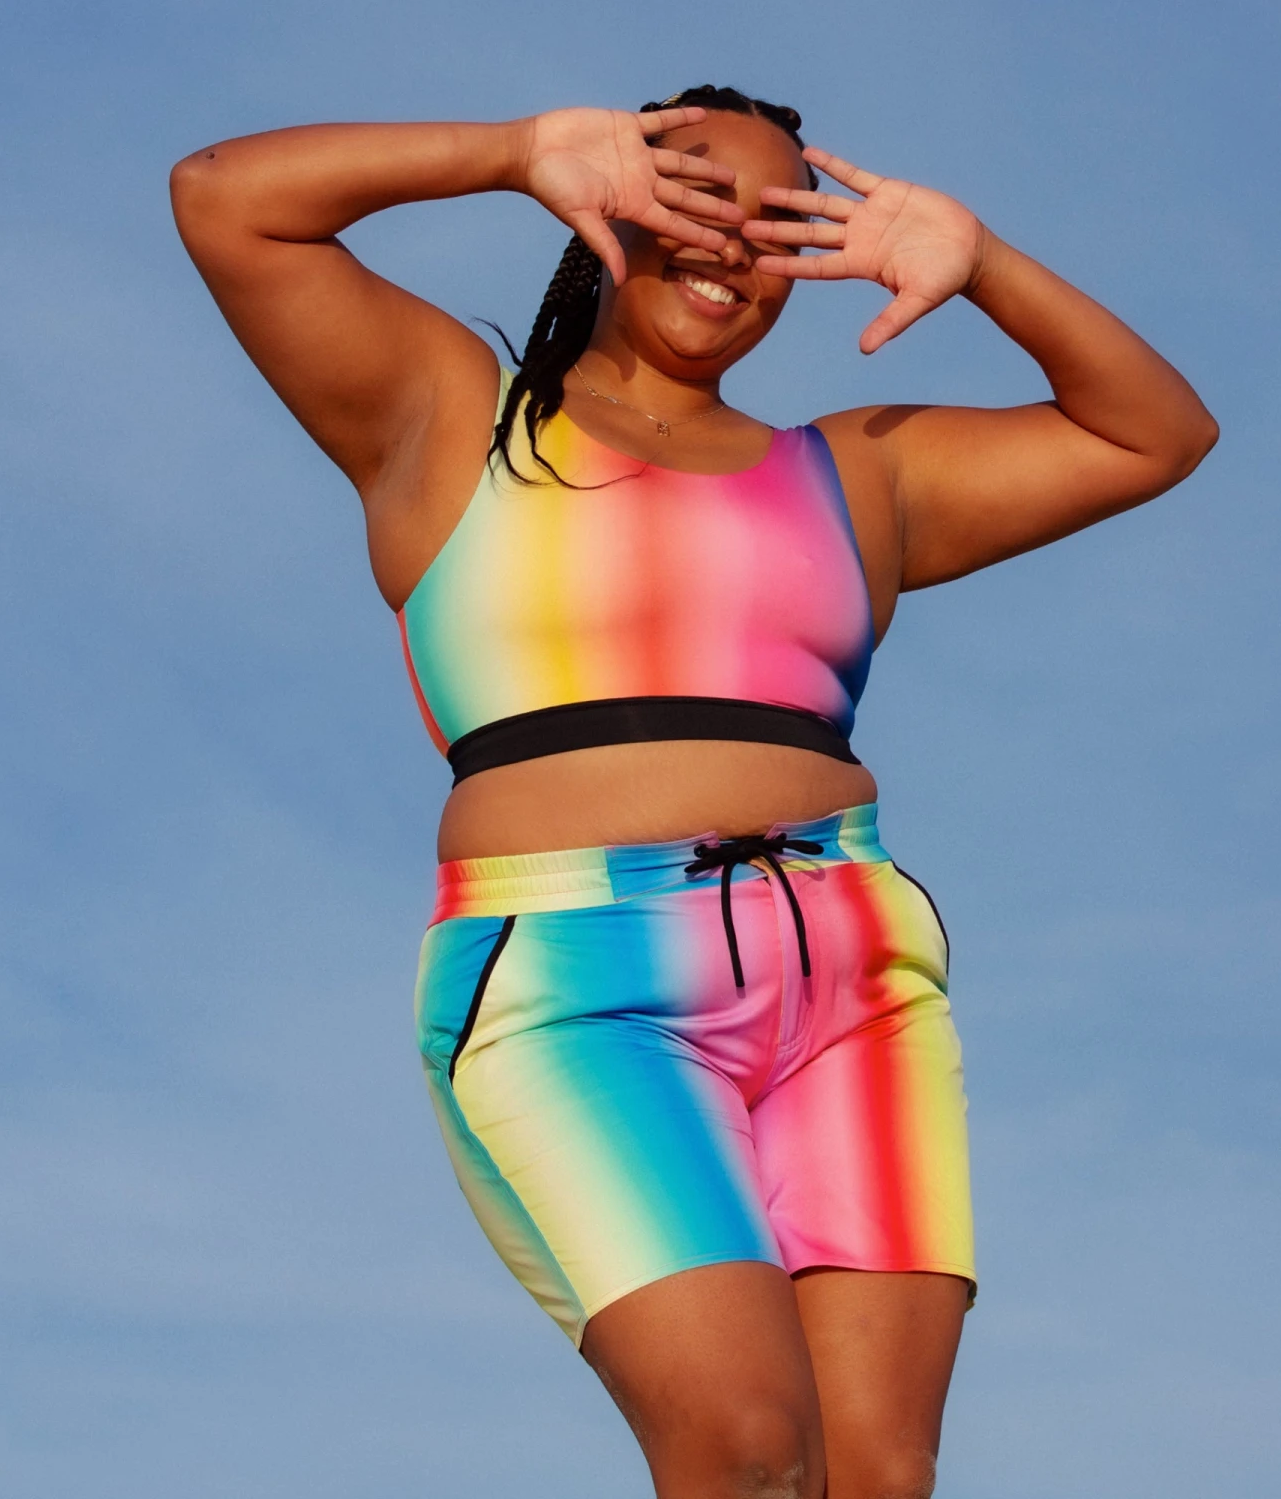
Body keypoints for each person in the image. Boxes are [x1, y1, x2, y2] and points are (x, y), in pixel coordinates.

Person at [171, 84, 1216, 1499]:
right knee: (744, 1449)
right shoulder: (452, 414)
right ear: (611, 195)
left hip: (851, 978)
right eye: (695, 192)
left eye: (779, 224)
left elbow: (1154, 433)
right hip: (578, 982)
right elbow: (225, 198)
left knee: (874, 1477)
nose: (731, 241)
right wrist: (512, 152)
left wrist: (982, 262)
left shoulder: (855, 472)